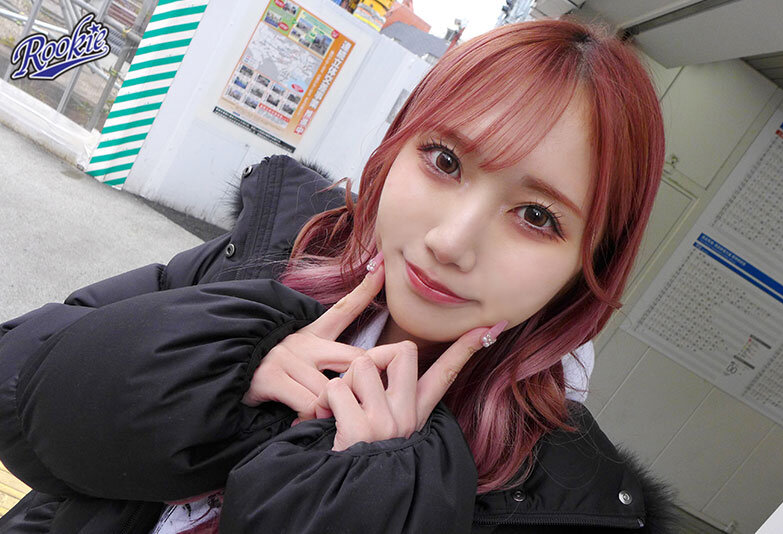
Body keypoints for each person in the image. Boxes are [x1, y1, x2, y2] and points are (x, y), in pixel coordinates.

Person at [0, 17, 675, 534]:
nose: (450, 242)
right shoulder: (273, 255)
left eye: (535, 215)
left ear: (590, 265)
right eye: (444, 161)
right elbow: (18, 390)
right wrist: (220, 370)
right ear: (395, 149)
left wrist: (364, 501)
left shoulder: (563, 501)